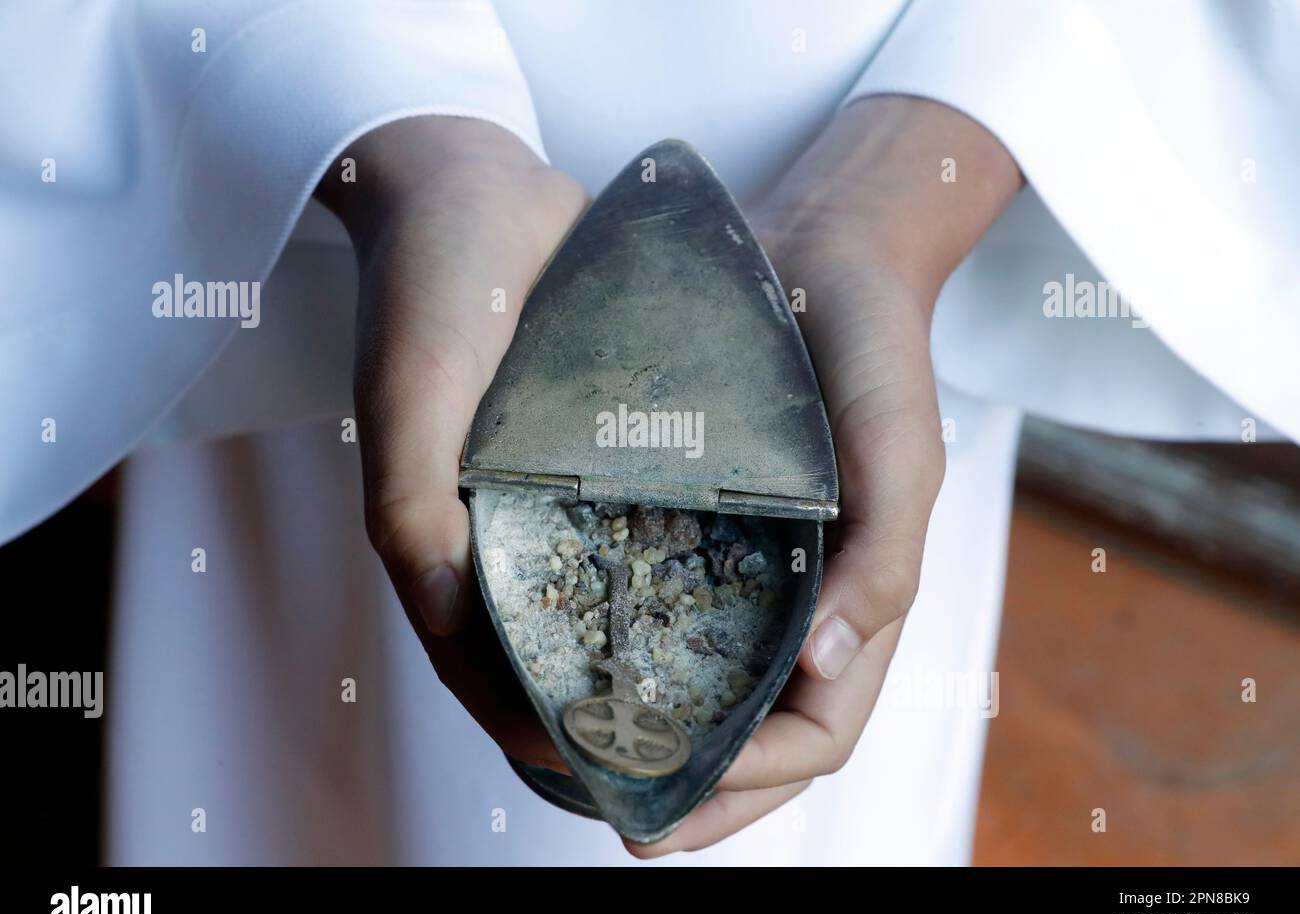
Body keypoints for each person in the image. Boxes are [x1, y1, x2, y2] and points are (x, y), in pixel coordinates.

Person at [2, 0, 1295, 865]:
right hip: (327, 225)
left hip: (866, 256)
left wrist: (911, 182)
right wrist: (368, 115)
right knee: (305, 743)